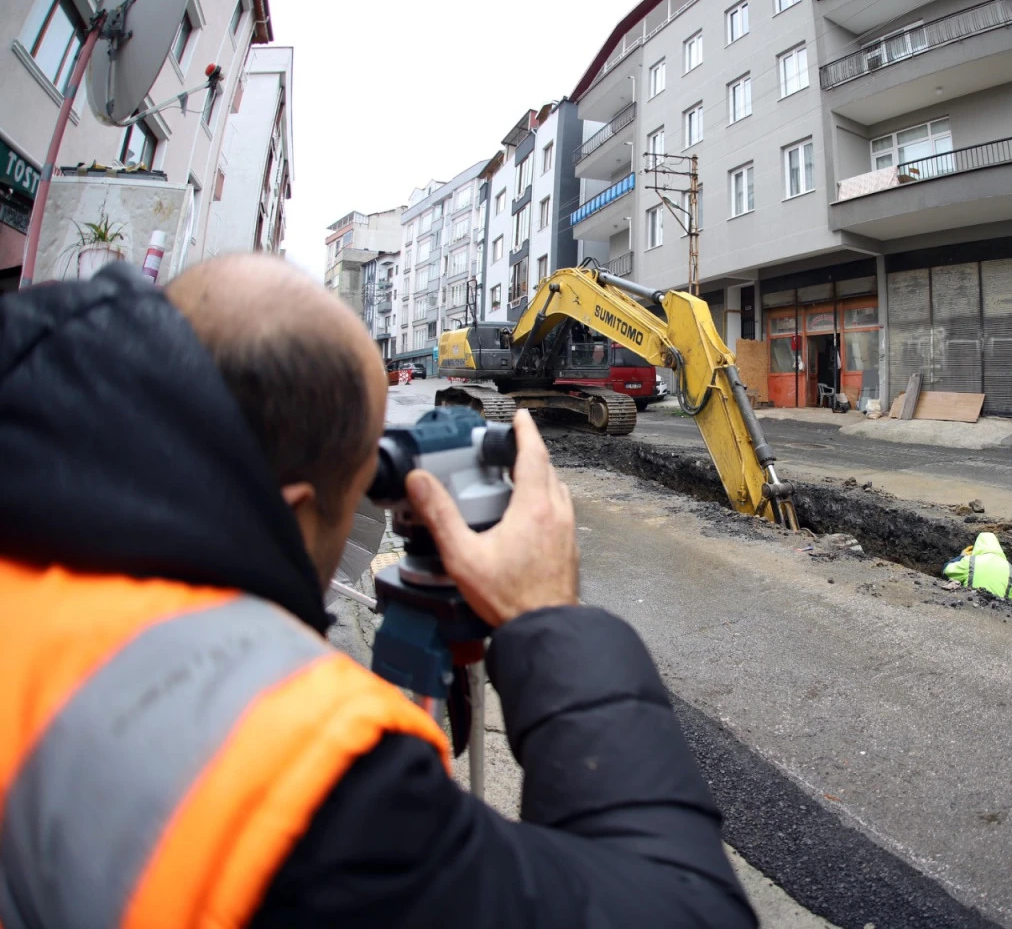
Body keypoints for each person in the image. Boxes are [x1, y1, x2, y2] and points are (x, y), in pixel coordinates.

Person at [0, 257, 755, 928]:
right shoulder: (297, 776)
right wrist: (545, 613)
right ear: (293, 513)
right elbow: (687, 907)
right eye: (353, 487)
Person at [942, 531, 1012, 601]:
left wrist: (961, 556)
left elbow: (946, 571)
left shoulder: (971, 561)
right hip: (998, 613)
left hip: (971, 606)